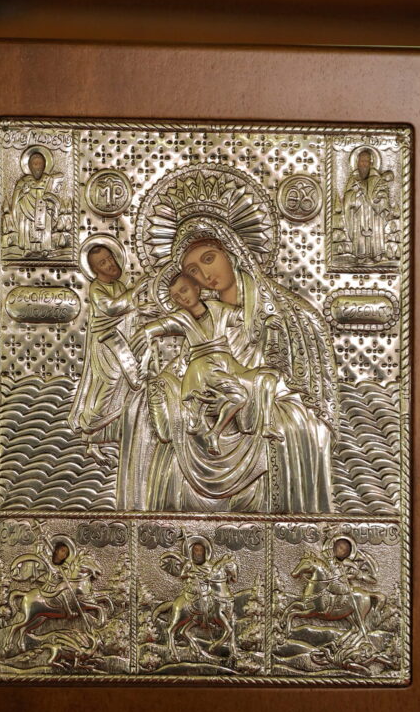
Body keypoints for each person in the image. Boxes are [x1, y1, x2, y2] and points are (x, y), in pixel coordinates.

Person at [116, 216, 337, 513]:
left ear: (232, 253)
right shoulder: (199, 316)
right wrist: (162, 384)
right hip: (208, 397)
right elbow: (184, 364)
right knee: (143, 411)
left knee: (290, 426)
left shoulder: (288, 315)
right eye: (193, 271)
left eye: (209, 259)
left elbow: (307, 401)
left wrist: (251, 398)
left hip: (257, 406)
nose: (205, 274)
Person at [131, 272, 282, 456]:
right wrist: (146, 332)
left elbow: (247, 318)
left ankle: (266, 425)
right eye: (176, 297)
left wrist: (267, 320)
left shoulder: (218, 308)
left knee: (269, 377)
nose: (182, 298)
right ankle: (213, 434)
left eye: (184, 290)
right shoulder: (181, 318)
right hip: (203, 368)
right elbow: (159, 326)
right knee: (239, 396)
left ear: (197, 288)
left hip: (229, 365)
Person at [68, 244, 146, 464]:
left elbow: (126, 313)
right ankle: (89, 434)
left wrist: (141, 309)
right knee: (107, 388)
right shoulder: (96, 289)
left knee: (122, 388)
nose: (110, 264)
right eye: (103, 263)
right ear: (95, 270)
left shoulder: (118, 284)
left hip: (120, 342)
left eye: (110, 258)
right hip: (107, 346)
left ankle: (109, 437)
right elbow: (112, 308)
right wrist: (135, 292)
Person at [342, 149, 393, 263]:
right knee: (360, 234)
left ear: (371, 163)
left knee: (374, 232)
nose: (364, 164)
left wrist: (378, 199)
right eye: (362, 161)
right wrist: (356, 195)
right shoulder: (353, 179)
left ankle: (376, 253)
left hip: (374, 215)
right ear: (357, 162)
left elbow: (384, 196)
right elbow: (347, 199)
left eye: (366, 161)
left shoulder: (376, 179)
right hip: (358, 213)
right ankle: (361, 255)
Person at [11, 150, 61, 254]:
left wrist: (50, 200)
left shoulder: (49, 179)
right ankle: (27, 248)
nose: (37, 167)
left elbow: (55, 194)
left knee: (45, 222)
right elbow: (16, 199)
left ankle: (45, 248)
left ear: (44, 165)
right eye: (35, 164)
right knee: (26, 224)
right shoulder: (23, 181)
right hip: (27, 209)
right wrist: (23, 193)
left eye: (40, 164)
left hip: (44, 209)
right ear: (29, 166)